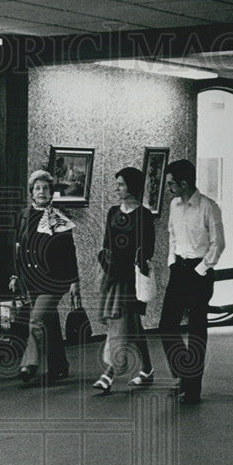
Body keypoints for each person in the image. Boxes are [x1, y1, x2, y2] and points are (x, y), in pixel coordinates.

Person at [159, 159, 225, 403]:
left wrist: (200, 270)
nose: (168, 189)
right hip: (179, 268)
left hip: (200, 272)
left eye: (171, 184)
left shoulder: (208, 207)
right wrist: (171, 262)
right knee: (167, 325)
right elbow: (172, 235)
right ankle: (184, 375)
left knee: (197, 330)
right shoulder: (174, 205)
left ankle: (192, 388)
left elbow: (219, 244)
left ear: (184, 183)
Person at [10, 169, 80, 385]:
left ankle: (28, 364)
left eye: (46, 188)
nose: (41, 192)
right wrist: (15, 274)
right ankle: (60, 366)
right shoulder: (23, 216)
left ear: (51, 192)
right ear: (32, 192)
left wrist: (75, 281)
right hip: (32, 279)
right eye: (37, 188)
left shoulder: (58, 218)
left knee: (37, 319)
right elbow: (18, 247)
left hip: (54, 280)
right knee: (49, 321)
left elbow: (70, 252)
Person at [94, 166, 155, 394]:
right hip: (113, 275)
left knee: (119, 324)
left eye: (121, 184)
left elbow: (147, 250)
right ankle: (147, 369)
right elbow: (106, 244)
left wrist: (131, 261)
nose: (117, 188)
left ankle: (108, 374)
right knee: (133, 327)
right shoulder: (112, 212)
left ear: (132, 186)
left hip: (132, 279)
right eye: (117, 184)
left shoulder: (144, 215)